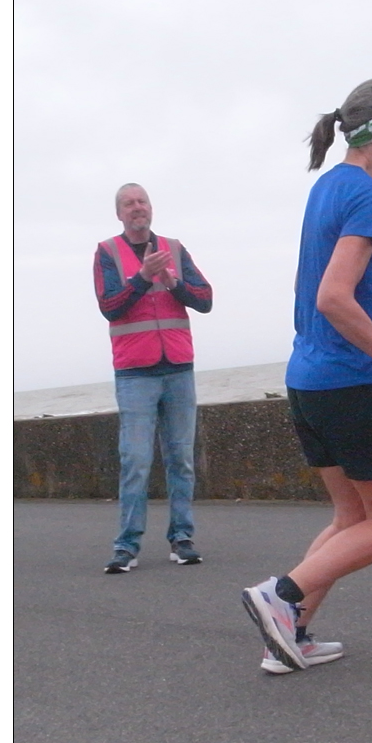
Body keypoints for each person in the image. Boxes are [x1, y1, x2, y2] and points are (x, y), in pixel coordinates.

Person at [241, 78, 372, 675]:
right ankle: (282, 595)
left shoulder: (328, 187)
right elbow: (331, 297)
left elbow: (327, 296)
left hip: (308, 381)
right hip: (349, 386)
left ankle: (288, 636)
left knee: (352, 519)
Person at [94, 184, 213, 573]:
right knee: (136, 461)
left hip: (178, 367)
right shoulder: (107, 253)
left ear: (151, 208)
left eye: (141, 201)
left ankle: (182, 539)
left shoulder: (174, 248)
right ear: (120, 214)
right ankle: (126, 546)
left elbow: (205, 300)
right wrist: (143, 277)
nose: (136, 208)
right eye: (128, 204)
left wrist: (174, 282)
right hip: (135, 373)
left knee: (181, 459)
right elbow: (110, 307)